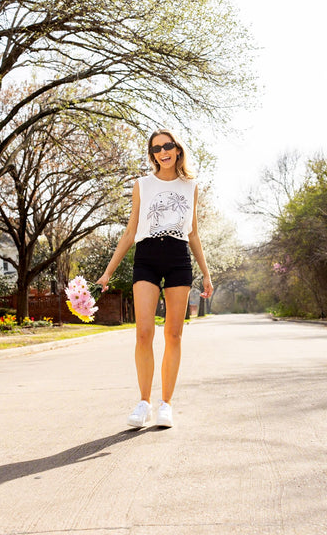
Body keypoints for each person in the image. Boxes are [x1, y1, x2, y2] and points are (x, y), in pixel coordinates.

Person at [97, 128, 213, 428]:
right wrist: (108, 271)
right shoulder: (142, 185)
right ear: (152, 154)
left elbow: (194, 234)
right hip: (146, 257)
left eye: (168, 146)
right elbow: (130, 230)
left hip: (178, 258)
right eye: (156, 148)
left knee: (173, 334)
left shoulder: (191, 186)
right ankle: (144, 402)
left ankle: (166, 404)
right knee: (143, 332)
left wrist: (206, 273)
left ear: (177, 149)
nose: (162, 152)